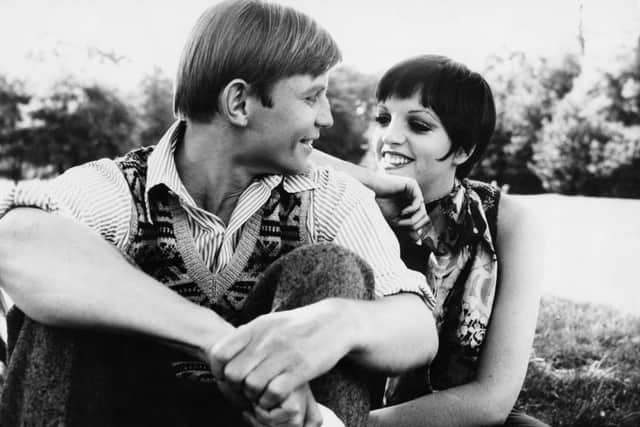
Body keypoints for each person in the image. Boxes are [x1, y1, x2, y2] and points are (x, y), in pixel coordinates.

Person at [0, 2, 439, 426]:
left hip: (277, 419)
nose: (326, 117)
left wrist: (340, 324)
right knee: (68, 285)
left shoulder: (330, 196)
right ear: (239, 103)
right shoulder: (117, 188)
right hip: (122, 410)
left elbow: (419, 328)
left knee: (334, 270)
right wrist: (220, 342)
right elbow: (15, 240)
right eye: (312, 96)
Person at [320, 55, 545, 426]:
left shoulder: (507, 221)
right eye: (383, 118)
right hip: (337, 407)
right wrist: (375, 184)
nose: (389, 136)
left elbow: (493, 397)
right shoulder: (344, 201)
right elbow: (284, 153)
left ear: (463, 149)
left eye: (419, 125)